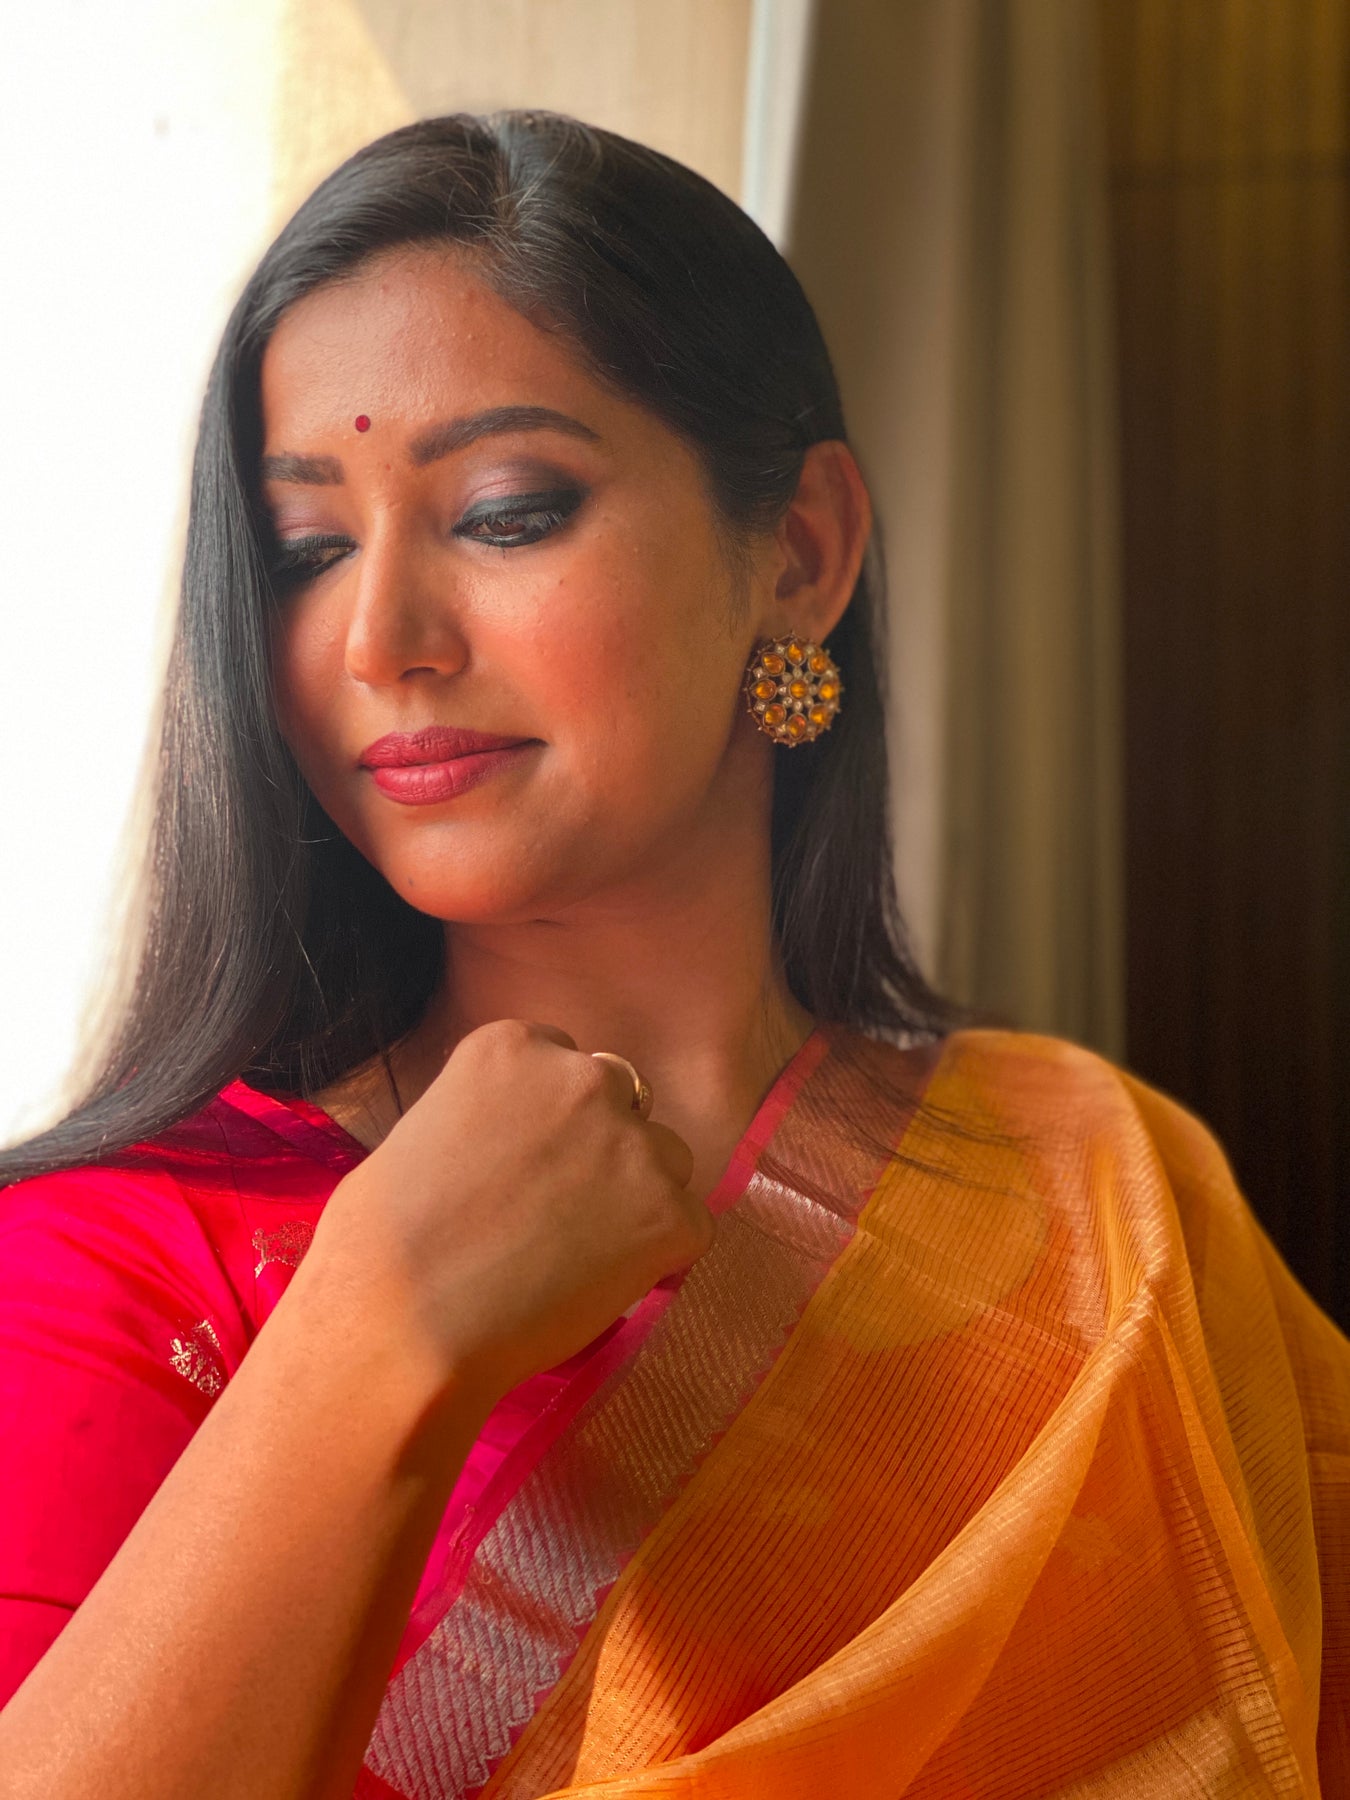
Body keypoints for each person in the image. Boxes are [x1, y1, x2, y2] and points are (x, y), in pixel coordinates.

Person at [0, 109, 1345, 1800]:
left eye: (505, 513)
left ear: (799, 554)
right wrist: (381, 1329)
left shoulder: (1093, 1196)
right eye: (306, 553)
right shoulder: (124, 1266)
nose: (381, 640)